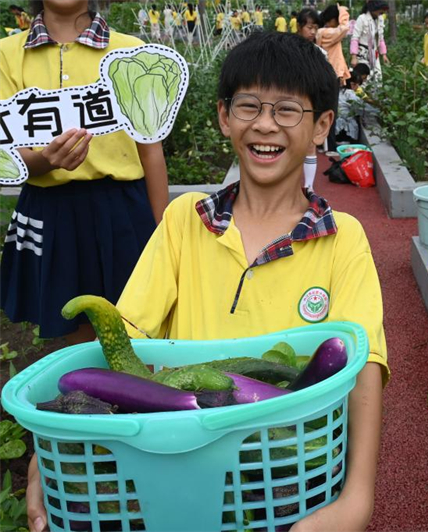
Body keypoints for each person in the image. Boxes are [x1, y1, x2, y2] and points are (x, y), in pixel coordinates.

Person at [25, 31, 387, 532]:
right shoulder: (183, 220)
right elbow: (125, 343)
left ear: (322, 126)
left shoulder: (343, 239)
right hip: (175, 464)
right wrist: (55, 445)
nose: (265, 124)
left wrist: (357, 496)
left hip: (290, 476)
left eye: (287, 110)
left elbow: (362, 364)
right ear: (223, 116)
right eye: (248, 106)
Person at [1, 0, 167, 437]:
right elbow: (9, 152)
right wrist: (42, 161)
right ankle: (87, 423)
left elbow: (150, 149)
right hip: (50, 209)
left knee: (134, 319)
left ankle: (141, 419)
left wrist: (163, 233)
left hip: (121, 209)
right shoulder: (7, 55)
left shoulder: (130, 51)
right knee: (71, 322)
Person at [296, 8, 326, 190]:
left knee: (310, 145)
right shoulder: (287, 49)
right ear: (300, 27)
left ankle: (308, 187)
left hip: (311, 105)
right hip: (290, 106)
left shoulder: (320, 54)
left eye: (316, 27)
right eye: (309, 27)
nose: (313, 32)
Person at [350, 1, 389, 85]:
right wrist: (354, 56)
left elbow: (381, 38)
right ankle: (360, 97)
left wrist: (384, 54)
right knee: (362, 78)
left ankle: (375, 97)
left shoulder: (380, 19)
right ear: (373, 8)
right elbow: (355, 38)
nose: (382, 12)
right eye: (381, 10)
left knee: (378, 77)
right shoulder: (362, 19)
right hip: (362, 54)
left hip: (375, 54)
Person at [318, 3, 352, 86]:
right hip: (331, 73)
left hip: (330, 72)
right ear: (333, 19)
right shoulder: (326, 32)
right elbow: (344, 28)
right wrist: (342, 11)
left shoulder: (326, 31)